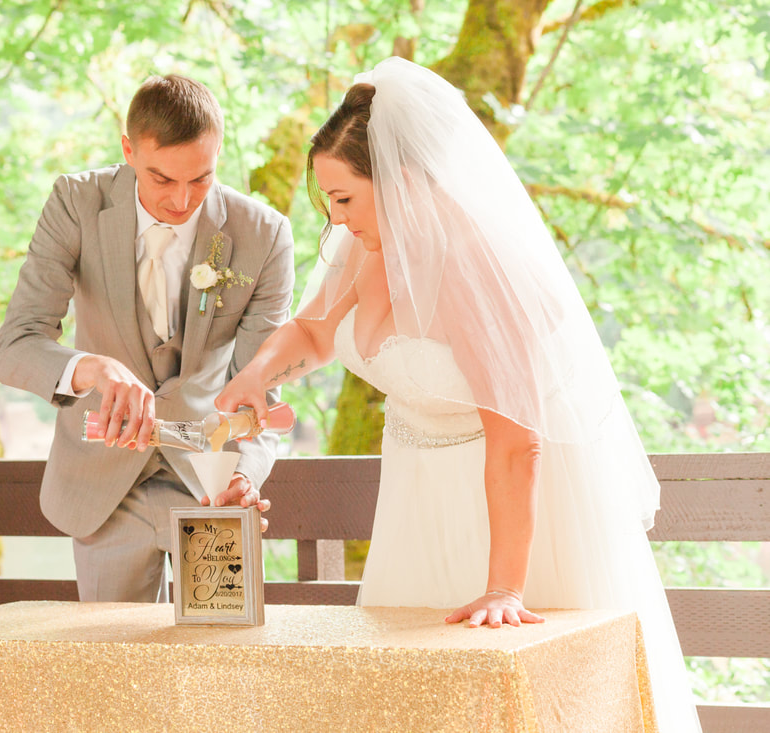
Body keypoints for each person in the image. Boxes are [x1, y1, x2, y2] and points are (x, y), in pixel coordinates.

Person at [216, 57, 700, 731]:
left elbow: (517, 442)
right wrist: (256, 373)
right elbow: (312, 330)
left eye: (346, 198)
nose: (337, 217)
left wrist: (504, 587)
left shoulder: (476, 265)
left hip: (503, 514)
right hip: (416, 501)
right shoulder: (364, 245)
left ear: (402, 180)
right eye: (328, 202)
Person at [0, 74, 295, 604]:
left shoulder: (264, 235)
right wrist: (93, 368)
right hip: (103, 487)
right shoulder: (75, 203)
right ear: (129, 149)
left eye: (201, 180)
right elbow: (15, 345)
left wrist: (243, 476)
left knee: (222, 666)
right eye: (161, 178)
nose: (181, 200)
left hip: (212, 482)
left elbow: (260, 393)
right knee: (115, 676)